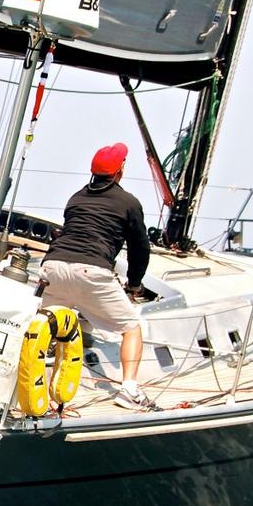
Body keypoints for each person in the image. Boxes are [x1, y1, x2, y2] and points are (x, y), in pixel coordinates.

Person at [40, 142, 152, 410]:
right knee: (131, 328)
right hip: (91, 271)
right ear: (120, 170)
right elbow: (140, 248)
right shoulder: (128, 202)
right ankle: (129, 391)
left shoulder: (76, 198)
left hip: (52, 267)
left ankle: (21, 382)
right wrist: (134, 284)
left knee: (44, 329)